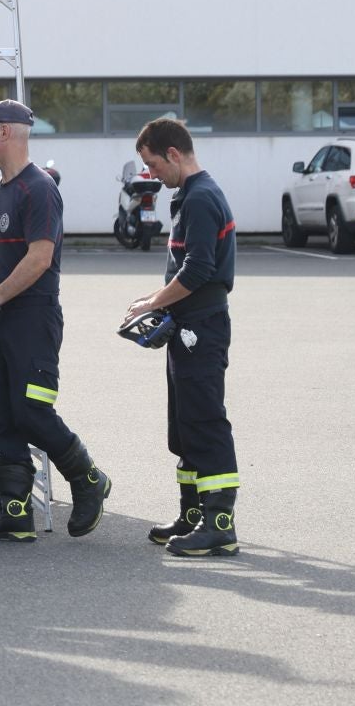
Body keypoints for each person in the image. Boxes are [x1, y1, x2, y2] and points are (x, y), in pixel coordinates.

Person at [0, 99, 111, 541]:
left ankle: (88, 479)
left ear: (6, 132)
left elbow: (40, 258)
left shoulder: (38, 188)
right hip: (5, 317)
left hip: (33, 319)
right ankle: (14, 510)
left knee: (31, 410)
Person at [126, 118, 240, 558]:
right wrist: (157, 299)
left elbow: (198, 270)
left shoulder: (200, 198)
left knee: (205, 419)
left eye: (153, 164)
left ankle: (220, 524)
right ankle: (192, 514)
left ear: (173, 154)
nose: (152, 173)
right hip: (188, 324)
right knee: (185, 423)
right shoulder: (188, 195)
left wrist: (154, 303)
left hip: (202, 325)